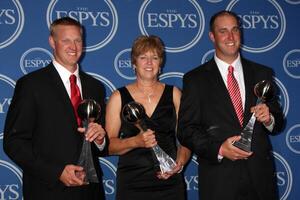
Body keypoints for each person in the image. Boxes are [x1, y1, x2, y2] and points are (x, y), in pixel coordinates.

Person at [177, 10, 284, 200]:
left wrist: (269, 119)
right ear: (212, 36)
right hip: (219, 180)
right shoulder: (195, 79)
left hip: (260, 179)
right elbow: (186, 130)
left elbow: (278, 124)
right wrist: (219, 149)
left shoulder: (262, 73)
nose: (231, 37)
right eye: (223, 31)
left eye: (235, 30)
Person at [3, 17, 107, 200]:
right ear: (52, 41)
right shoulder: (31, 85)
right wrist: (57, 172)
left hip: (90, 192)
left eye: (77, 40)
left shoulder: (95, 87)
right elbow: (14, 143)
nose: (73, 47)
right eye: (66, 40)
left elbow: (100, 148)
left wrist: (100, 139)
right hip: (48, 191)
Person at [105, 35, 191, 200]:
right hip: (132, 183)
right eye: (143, 57)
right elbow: (109, 146)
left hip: (170, 183)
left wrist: (180, 162)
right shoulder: (118, 97)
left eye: (155, 57)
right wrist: (136, 141)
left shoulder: (174, 94)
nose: (149, 63)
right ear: (134, 63)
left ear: (161, 64)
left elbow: (186, 138)